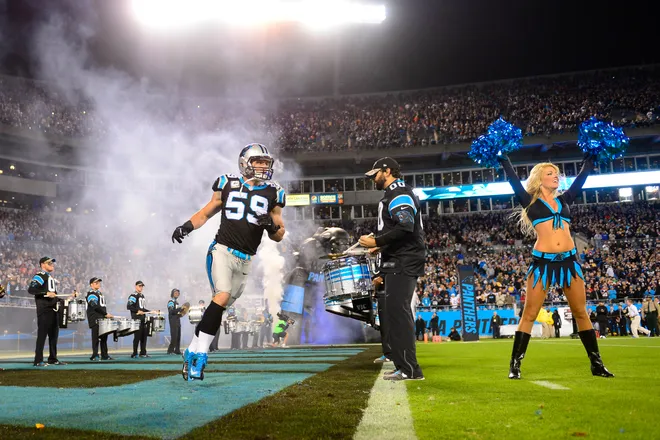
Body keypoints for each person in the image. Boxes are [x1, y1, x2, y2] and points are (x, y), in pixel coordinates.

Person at [172, 143, 286, 381]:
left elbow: (279, 233)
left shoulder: (274, 192)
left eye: (266, 162)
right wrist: (187, 226)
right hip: (222, 250)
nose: (264, 166)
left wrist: (269, 225)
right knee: (222, 295)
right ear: (245, 163)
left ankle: (192, 348)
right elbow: (205, 213)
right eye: (259, 162)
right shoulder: (227, 183)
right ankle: (201, 355)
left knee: (220, 306)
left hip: (246, 260)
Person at [499, 155, 613, 378]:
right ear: (539, 180)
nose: (556, 177)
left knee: (581, 312)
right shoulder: (529, 202)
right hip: (543, 263)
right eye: (550, 174)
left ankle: (597, 364)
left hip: (569, 262)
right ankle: (515, 365)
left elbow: (579, 182)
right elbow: (513, 181)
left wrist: (588, 164)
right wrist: (504, 161)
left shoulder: (565, 200)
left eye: (557, 174)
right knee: (529, 314)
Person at [359, 157, 425, 381]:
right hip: (397, 259)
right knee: (394, 314)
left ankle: (410, 369)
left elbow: (405, 226)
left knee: (399, 313)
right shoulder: (395, 194)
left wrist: (377, 241)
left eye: (375, 174)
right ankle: (402, 365)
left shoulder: (399, 193)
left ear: (387, 171)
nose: (372, 179)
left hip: (403, 260)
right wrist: (381, 245)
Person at [28, 256, 76, 367]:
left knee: (54, 336)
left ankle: (53, 358)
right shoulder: (40, 276)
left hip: (53, 310)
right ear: (42, 264)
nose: (52, 264)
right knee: (42, 335)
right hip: (44, 310)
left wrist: (68, 298)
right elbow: (32, 289)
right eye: (49, 263)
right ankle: (38, 360)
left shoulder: (49, 278)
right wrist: (46, 292)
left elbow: (54, 296)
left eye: (52, 263)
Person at [86, 277, 114, 361]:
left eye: (98, 282)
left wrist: (105, 315)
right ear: (91, 285)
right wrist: (105, 314)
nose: (98, 284)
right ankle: (95, 355)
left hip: (102, 318)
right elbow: (94, 305)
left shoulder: (100, 293)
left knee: (104, 337)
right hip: (95, 318)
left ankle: (104, 355)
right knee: (95, 338)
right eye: (96, 282)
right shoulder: (91, 294)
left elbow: (101, 306)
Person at [127, 281, 152, 358]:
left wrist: (150, 311)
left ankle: (143, 352)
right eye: (139, 286)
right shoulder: (133, 295)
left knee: (144, 336)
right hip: (136, 319)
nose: (141, 287)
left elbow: (142, 309)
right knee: (137, 337)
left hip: (142, 319)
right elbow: (129, 306)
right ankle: (134, 353)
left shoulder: (142, 296)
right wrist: (138, 311)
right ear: (136, 286)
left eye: (142, 286)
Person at [167, 288, 184, 355]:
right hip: (173, 320)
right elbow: (171, 311)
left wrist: (181, 312)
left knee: (178, 336)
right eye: (175, 293)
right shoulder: (171, 302)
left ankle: (177, 350)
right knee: (174, 336)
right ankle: (170, 350)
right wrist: (179, 309)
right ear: (172, 294)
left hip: (177, 320)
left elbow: (176, 312)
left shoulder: (176, 302)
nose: (177, 294)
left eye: (178, 293)